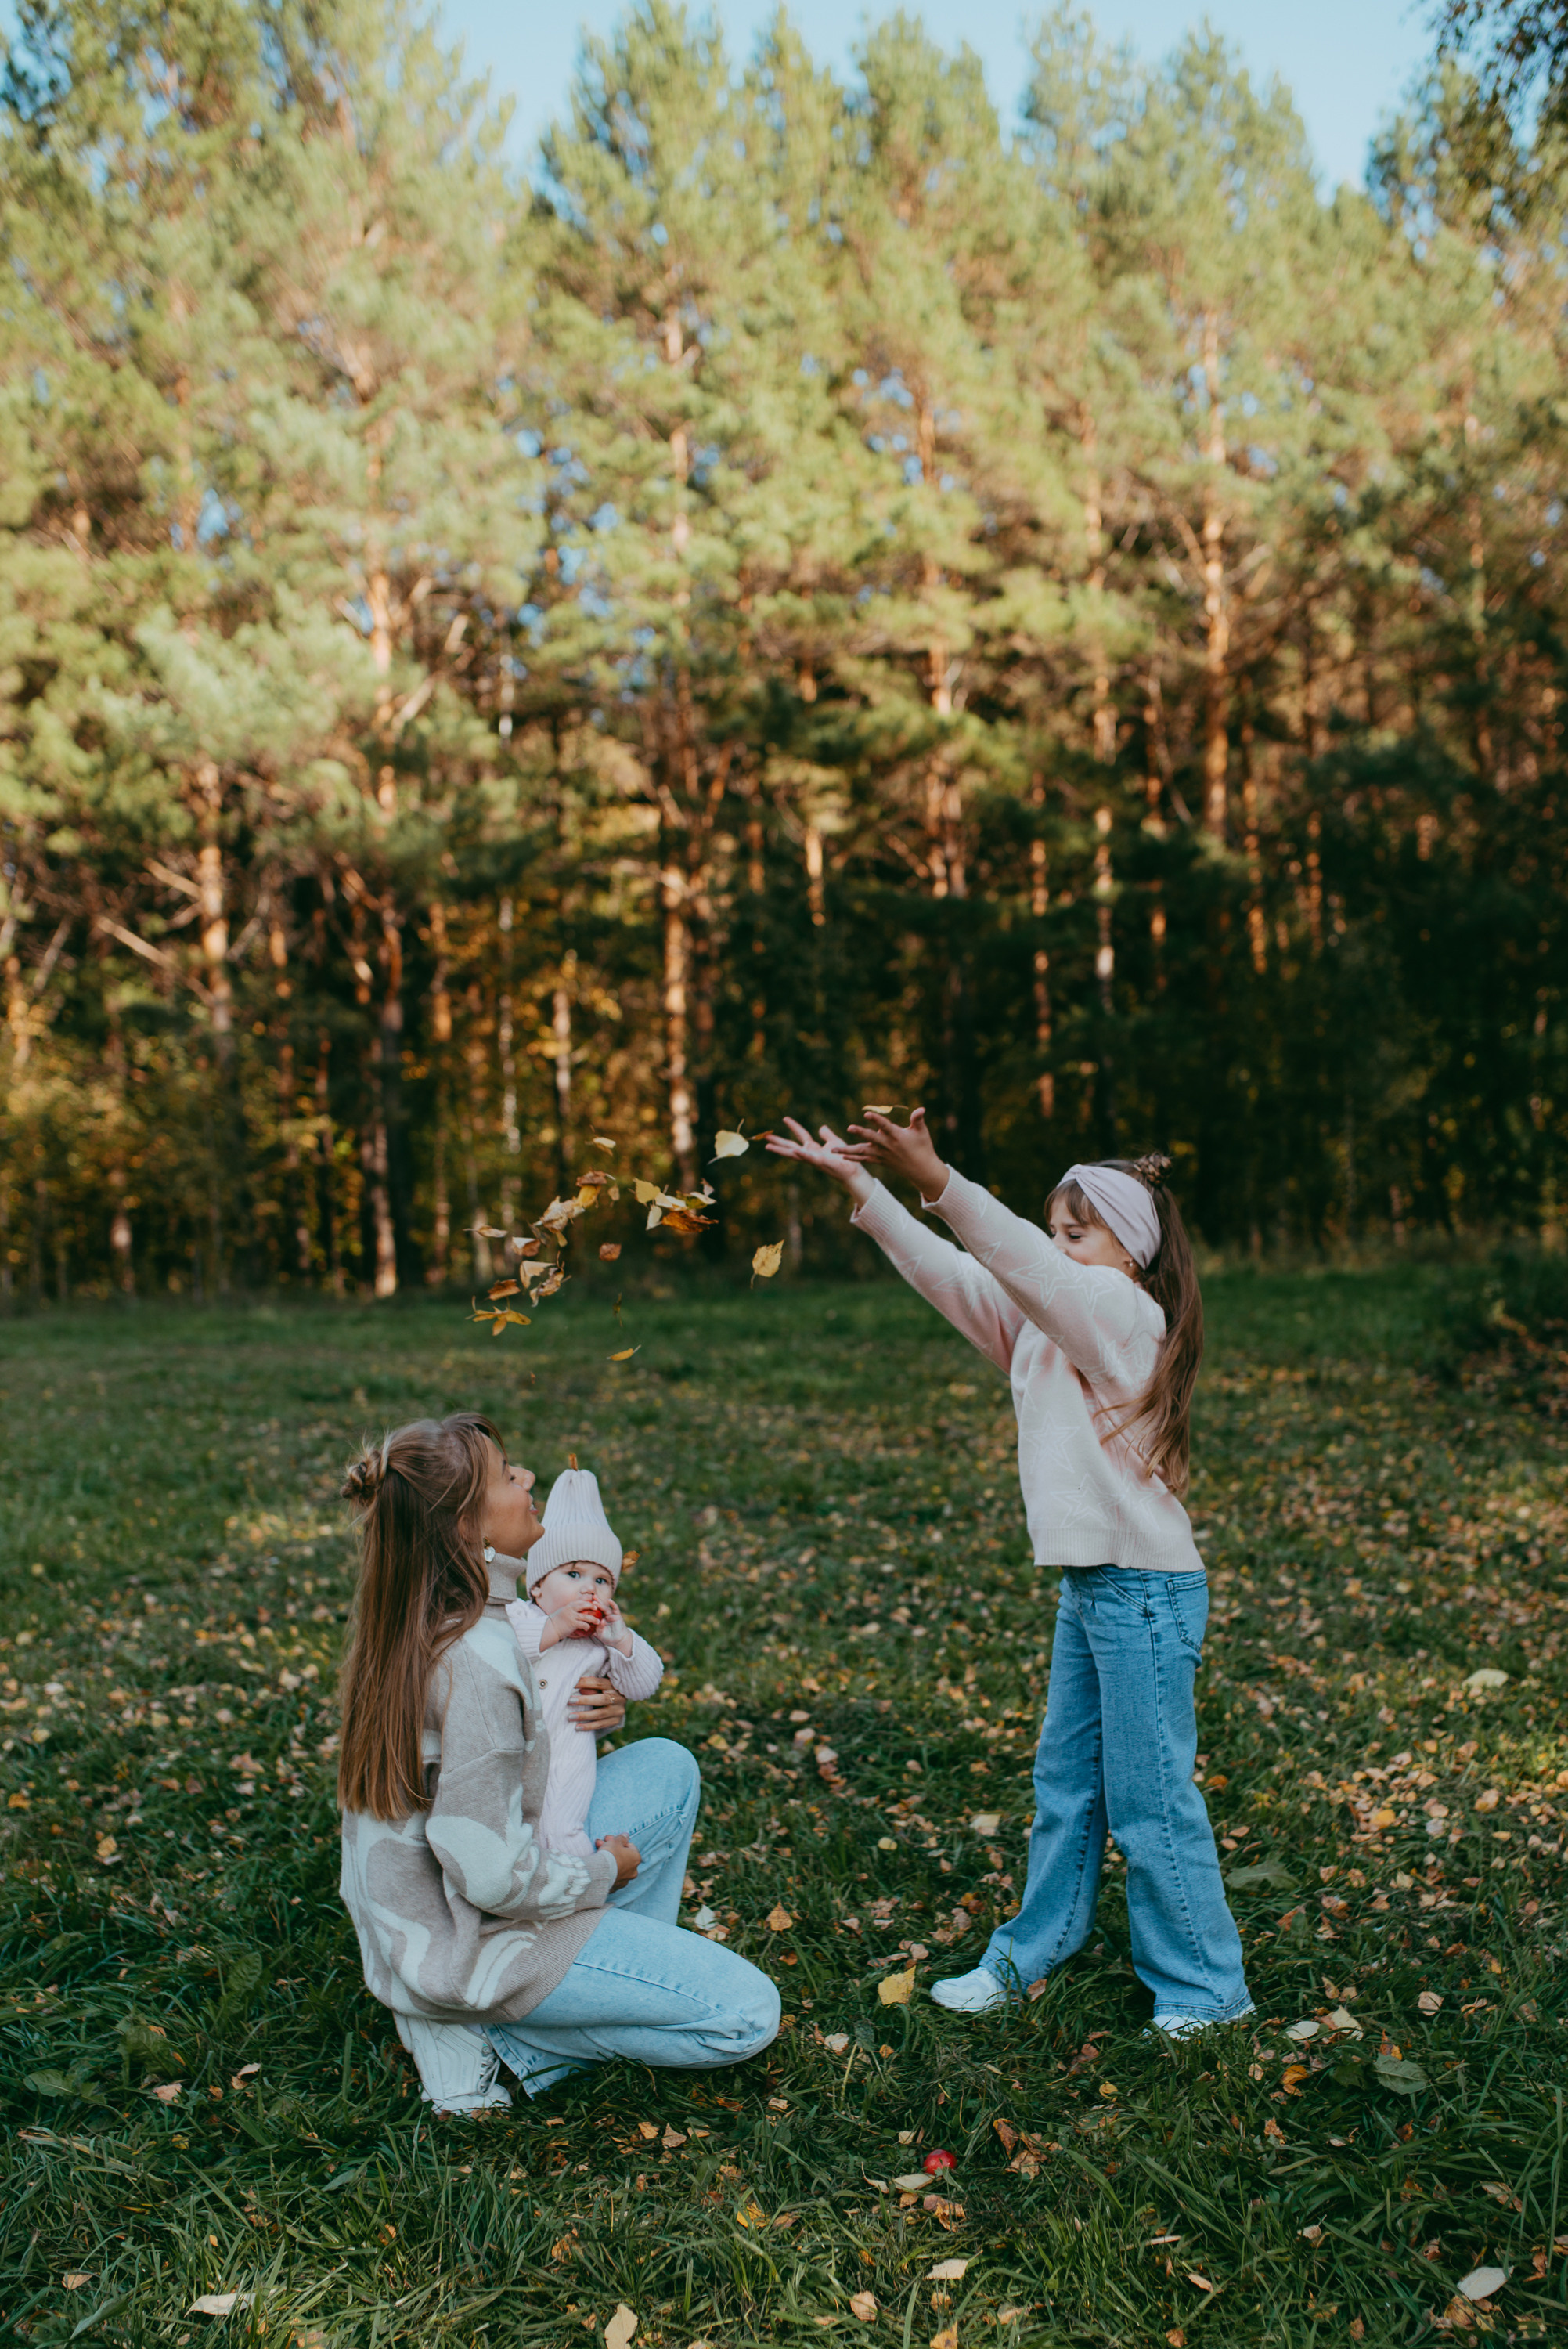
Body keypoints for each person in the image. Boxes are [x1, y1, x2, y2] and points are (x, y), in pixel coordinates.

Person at [766, 1110, 1252, 2039]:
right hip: (1096, 1586)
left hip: (1144, 1591)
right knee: (1064, 1785)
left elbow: (1023, 1262)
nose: (1055, 1248)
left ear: (1130, 1252)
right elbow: (957, 1274)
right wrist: (865, 1188)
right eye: (1053, 1232)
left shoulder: (1119, 1313)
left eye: (1076, 1234)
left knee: (1149, 1804)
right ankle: (1033, 1949)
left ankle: (1207, 1990)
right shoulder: (1050, 1320)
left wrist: (939, 1179)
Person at [336, 1413, 780, 2113]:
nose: (527, 1477)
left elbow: (490, 1753)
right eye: (506, 1475)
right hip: (471, 1937)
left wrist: (591, 1709)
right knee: (746, 2016)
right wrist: (604, 1871)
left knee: (666, 1768)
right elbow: (490, 1874)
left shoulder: (441, 1610)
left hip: (442, 1894)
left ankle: (598, 1977)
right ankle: (510, 2037)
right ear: (467, 1527)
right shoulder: (477, 1662)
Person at [391, 1459, 666, 2110]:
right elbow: (509, 1650)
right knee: (535, 1870)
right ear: (536, 1584)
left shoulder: (597, 1644)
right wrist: (556, 1629)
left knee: (575, 1843)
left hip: (563, 1800)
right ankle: (531, 1995)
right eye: (573, 1575)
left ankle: (595, 1960)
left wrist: (621, 1641)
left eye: (601, 1579)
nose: (589, 1588)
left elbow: (643, 1681)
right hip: (500, 1811)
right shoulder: (510, 1618)